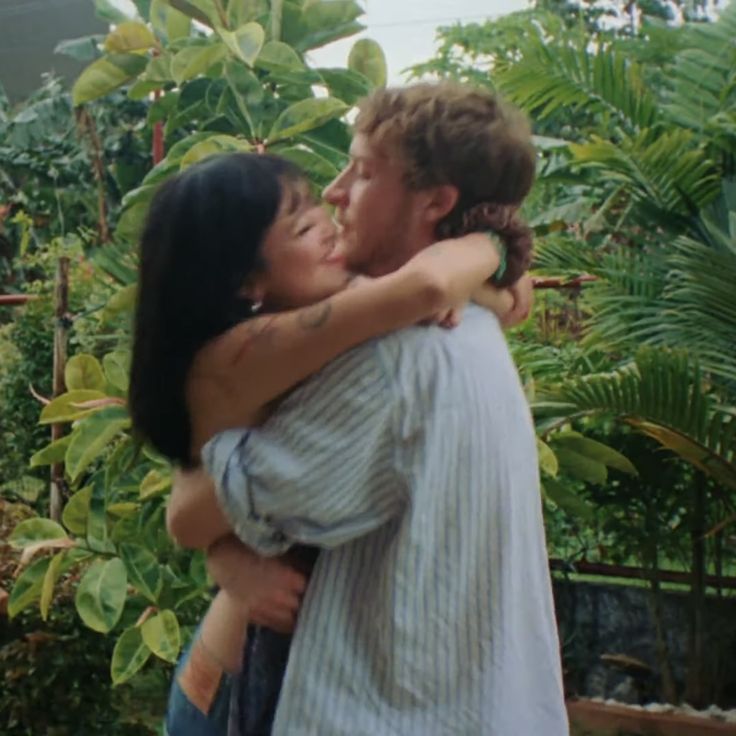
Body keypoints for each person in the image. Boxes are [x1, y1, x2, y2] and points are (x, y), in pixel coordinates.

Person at [167, 82, 568, 735]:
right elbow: (200, 511)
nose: (335, 191)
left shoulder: (399, 357)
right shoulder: (454, 327)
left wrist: (487, 268)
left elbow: (195, 510)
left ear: (436, 202)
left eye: (364, 171)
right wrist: (489, 259)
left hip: (271, 688)